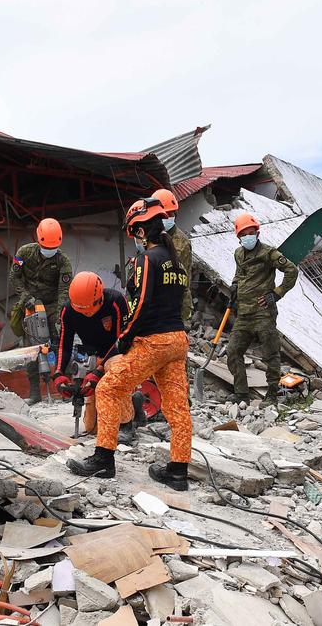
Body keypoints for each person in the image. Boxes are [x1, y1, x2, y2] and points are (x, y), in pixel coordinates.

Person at [67, 198, 193, 491]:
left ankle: (103, 459)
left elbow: (141, 304)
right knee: (177, 407)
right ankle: (178, 471)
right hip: (177, 341)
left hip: (154, 341)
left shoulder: (147, 259)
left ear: (141, 231)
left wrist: (123, 340)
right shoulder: (175, 262)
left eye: (134, 233)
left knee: (108, 389)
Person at [51, 271, 134, 438]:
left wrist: (99, 370)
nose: (85, 313)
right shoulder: (68, 311)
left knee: (115, 367)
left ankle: (127, 424)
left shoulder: (115, 302)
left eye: (88, 308)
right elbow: (64, 345)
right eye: (80, 309)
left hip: (119, 353)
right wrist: (59, 374)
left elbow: (123, 340)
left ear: (99, 298)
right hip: (94, 357)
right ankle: (136, 403)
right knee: (92, 427)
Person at [227, 212, 298, 404]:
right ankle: (241, 394)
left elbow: (291, 270)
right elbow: (239, 273)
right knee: (233, 351)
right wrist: (234, 284)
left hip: (263, 313)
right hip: (244, 314)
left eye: (251, 233)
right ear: (239, 237)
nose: (248, 237)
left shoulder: (268, 253)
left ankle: (272, 394)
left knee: (270, 354)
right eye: (243, 234)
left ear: (257, 234)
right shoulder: (238, 253)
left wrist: (277, 293)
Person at [8, 218, 73, 402]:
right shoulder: (24, 253)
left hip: (53, 305)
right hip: (30, 305)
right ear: (38, 240)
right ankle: (35, 392)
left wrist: (60, 317)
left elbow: (64, 290)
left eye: (53, 248)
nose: (49, 250)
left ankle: (66, 388)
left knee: (60, 344)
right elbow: (14, 277)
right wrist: (25, 297)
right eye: (46, 247)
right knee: (31, 350)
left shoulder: (63, 261)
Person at [152, 188, 194, 323]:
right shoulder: (149, 237)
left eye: (170, 213)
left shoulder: (182, 241)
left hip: (175, 303)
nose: (166, 217)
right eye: (163, 214)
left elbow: (184, 277)